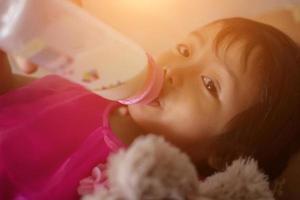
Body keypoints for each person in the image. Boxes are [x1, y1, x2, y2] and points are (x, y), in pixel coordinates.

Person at [0, 17, 300, 199]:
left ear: (226, 155)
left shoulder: (163, 188)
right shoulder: (94, 89)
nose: (175, 69)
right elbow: (14, 100)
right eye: (185, 50)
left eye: (209, 84)